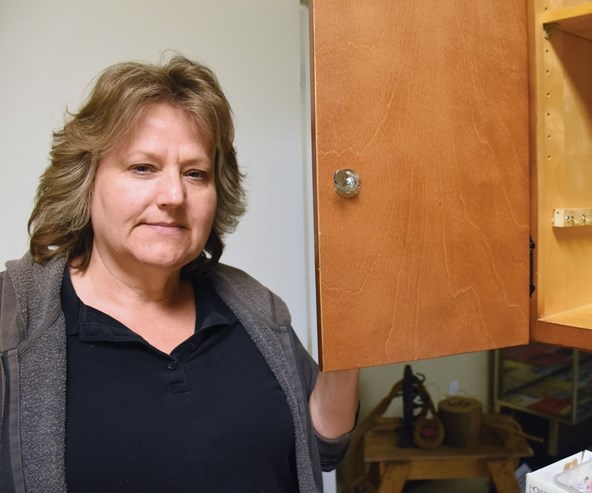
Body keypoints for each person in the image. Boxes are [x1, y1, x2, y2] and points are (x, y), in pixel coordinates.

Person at [0, 55, 359, 492]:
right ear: (85, 179)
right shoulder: (15, 322)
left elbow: (323, 448)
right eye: (143, 168)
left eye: (195, 173)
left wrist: (353, 333)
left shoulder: (253, 306)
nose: (173, 195)